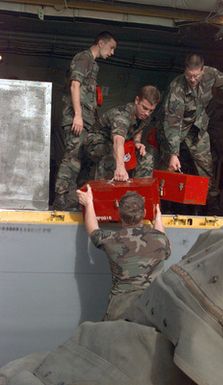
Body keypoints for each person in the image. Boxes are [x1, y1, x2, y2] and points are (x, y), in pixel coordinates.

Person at [76, 186, 171, 320]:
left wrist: (89, 203)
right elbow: (160, 235)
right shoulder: (161, 240)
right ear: (144, 212)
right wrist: (158, 218)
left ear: (120, 215)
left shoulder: (112, 240)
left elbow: (93, 231)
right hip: (153, 310)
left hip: (120, 310)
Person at [161, 53, 223, 212]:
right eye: (189, 75)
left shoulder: (212, 75)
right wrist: (173, 153)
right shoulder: (177, 87)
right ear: (185, 71)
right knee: (167, 170)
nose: (192, 79)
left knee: (206, 168)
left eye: (196, 75)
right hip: (176, 129)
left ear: (203, 70)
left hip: (197, 129)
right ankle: (164, 208)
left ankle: (211, 207)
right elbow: (172, 123)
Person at [53, 31, 117, 210]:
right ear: (101, 43)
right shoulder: (84, 58)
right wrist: (78, 115)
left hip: (86, 120)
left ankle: (71, 199)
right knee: (72, 157)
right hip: (77, 119)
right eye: (111, 48)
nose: (112, 53)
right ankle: (61, 197)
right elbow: (75, 85)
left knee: (80, 159)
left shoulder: (92, 63)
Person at [86, 85, 161, 181]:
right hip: (97, 141)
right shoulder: (122, 116)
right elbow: (118, 141)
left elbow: (139, 129)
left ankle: (138, 193)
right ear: (137, 100)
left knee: (146, 157)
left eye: (151, 110)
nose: (147, 113)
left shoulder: (145, 116)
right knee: (111, 155)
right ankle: (105, 191)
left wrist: (137, 142)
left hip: (121, 143)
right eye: (144, 108)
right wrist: (120, 167)